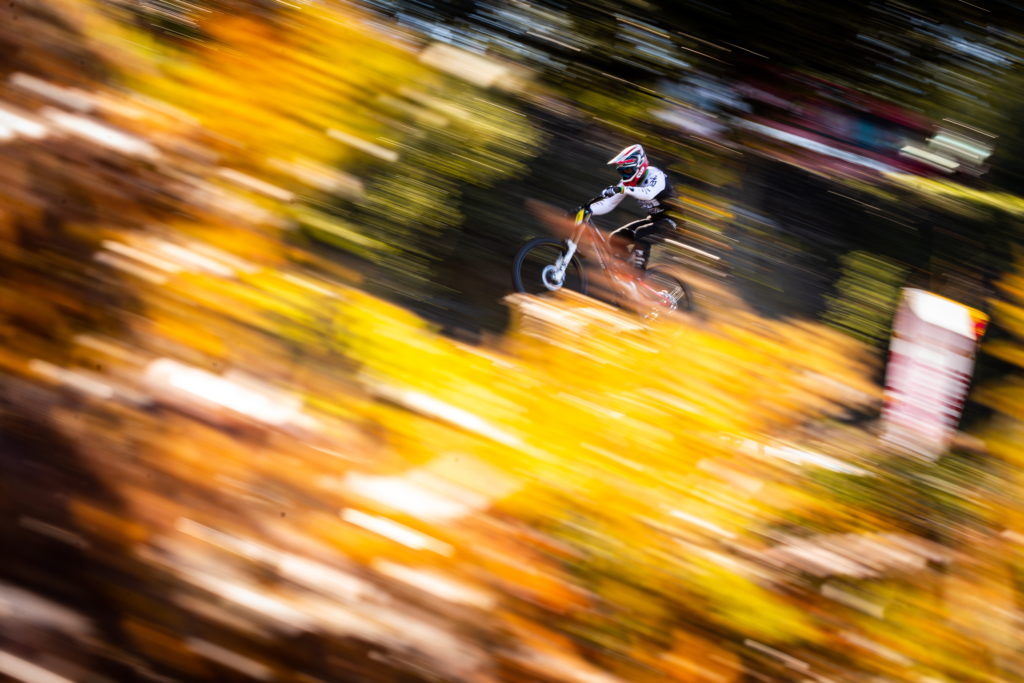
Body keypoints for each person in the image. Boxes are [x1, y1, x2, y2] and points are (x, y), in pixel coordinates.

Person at [579, 144, 677, 275]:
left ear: (640, 166)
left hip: (672, 222)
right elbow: (608, 204)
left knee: (642, 234)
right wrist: (587, 210)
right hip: (654, 219)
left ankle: (637, 276)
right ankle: (624, 273)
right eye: (622, 172)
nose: (625, 175)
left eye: (628, 170)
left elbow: (648, 193)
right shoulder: (626, 183)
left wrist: (622, 189)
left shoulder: (655, 175)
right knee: (616, 239)